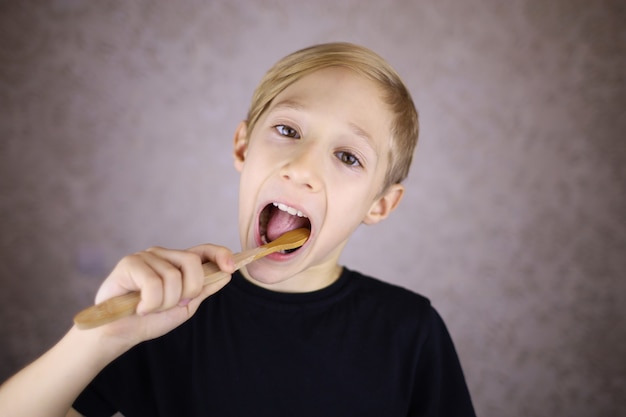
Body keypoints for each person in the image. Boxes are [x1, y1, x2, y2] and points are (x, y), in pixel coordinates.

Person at [0, 42, 476, 416]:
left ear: (380, 204)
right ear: (243, 147)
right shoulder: (168, 317)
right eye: (289, 131)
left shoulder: (410, 332)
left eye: (348, 156)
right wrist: (99, 340)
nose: (301, 167)